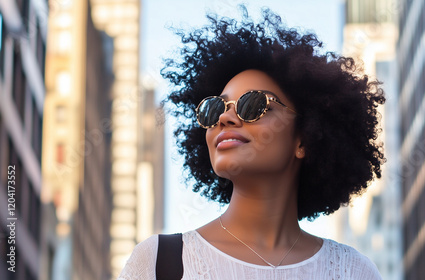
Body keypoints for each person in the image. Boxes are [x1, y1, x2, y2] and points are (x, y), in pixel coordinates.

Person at [118, 7, 385, 280]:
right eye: (214, 108)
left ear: (304, 138)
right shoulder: (160, 262)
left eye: (253, 105)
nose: (224, 117)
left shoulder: (353, 271)